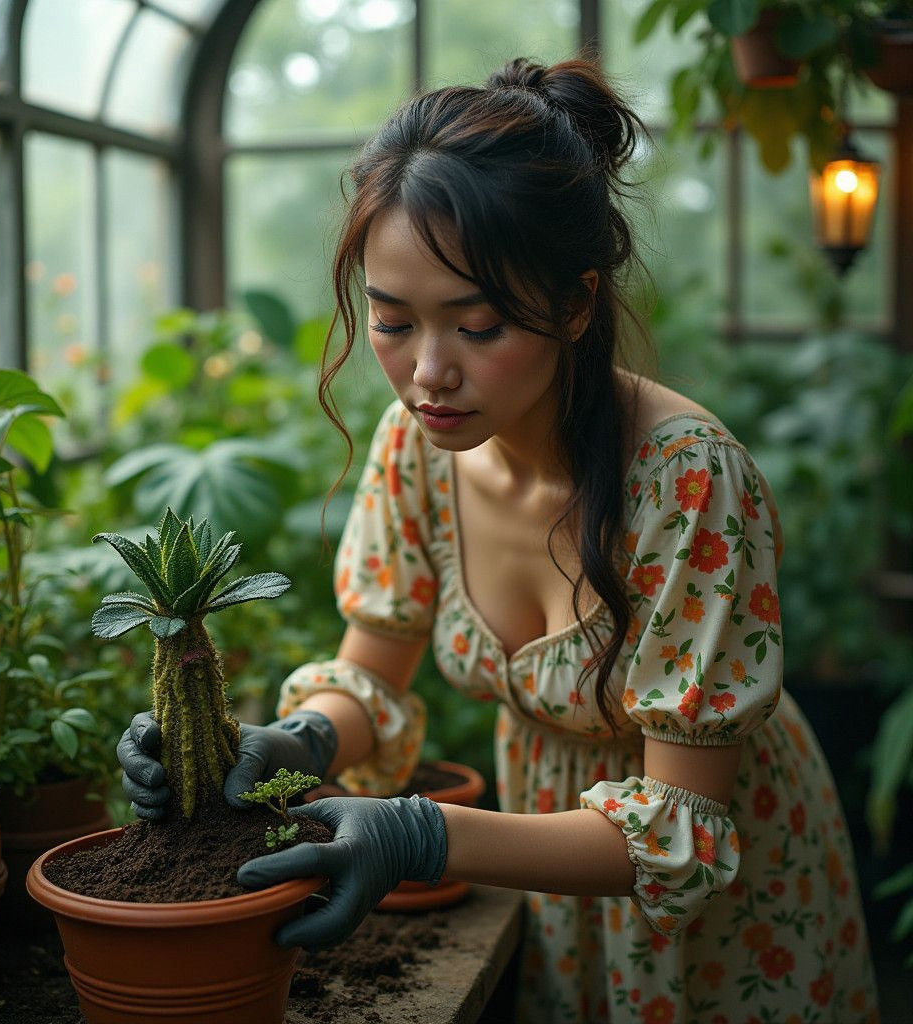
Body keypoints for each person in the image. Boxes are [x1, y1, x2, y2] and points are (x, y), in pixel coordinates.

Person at [117, 55, 880, 1024]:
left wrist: (420, 834)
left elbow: (682, 821)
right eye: (391, 320)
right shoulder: (416, 448)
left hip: (728, 908)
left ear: (576, 303)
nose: (427, 372)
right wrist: (298, 739)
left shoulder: (688, 481)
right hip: (547, 870)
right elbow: (375, 665)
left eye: (477, 326)